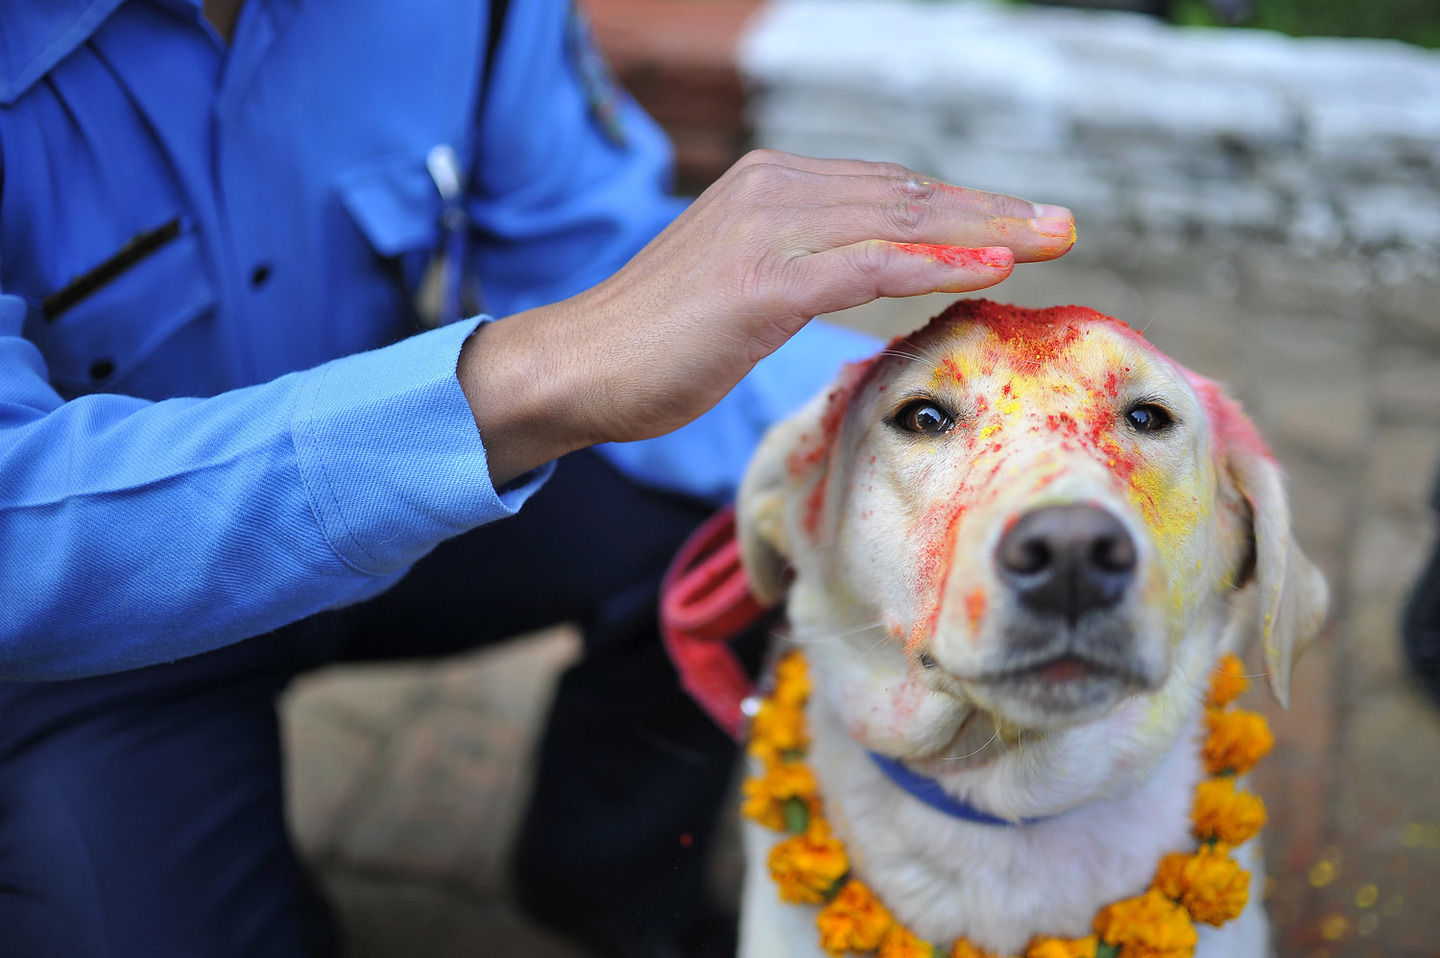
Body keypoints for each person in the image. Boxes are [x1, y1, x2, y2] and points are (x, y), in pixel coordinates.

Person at [0, 0, 1077, 955]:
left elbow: (590, 258)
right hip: (85, 638)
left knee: (750, 502)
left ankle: (606, 873)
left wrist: (928, 443)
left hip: (401, 500)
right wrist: (521, 383)